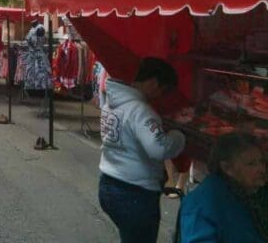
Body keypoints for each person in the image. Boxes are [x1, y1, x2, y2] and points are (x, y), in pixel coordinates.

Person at [98, 57, 186, 243]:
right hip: (134, 193)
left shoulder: (113, 101)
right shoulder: (140, 111)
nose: (160, 95)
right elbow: (159, 149)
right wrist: (179, 136)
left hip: (108, 184)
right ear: (153, 82)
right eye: (162, 89)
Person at [180, 132, 267, 242]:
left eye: (262, 162)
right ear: (227, 168)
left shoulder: (255, 191)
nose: (261, 169)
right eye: (251, 164)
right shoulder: (202, 202)